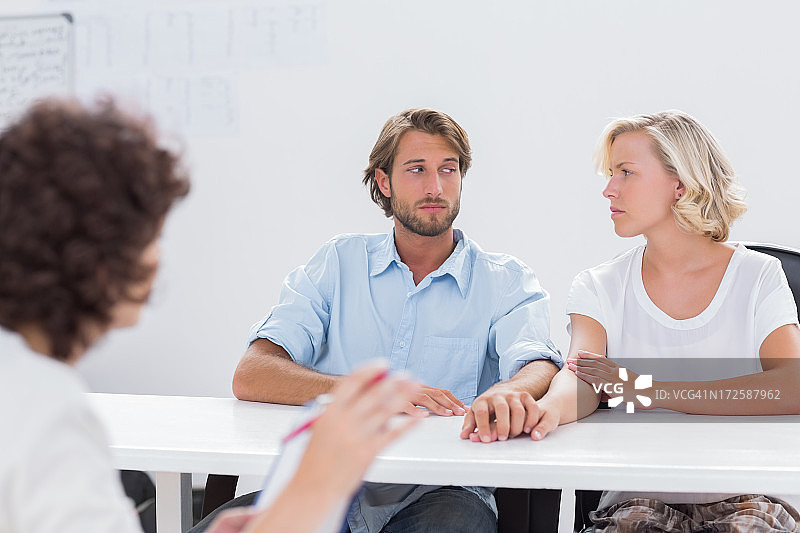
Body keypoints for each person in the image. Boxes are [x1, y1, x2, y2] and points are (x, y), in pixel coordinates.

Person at [0, 98, 419, 533]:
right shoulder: (46, 413)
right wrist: (311, 496)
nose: (159, 260)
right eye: (151, 236)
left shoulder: (21, 385)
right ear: (95, 255)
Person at [232, 107, 562, 533]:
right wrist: (366, 394)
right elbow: (254, 373)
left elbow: (539, 363)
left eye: (449, 169)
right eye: (416, 170)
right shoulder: (338, 263)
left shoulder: (505, 281)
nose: (435, 186)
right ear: (384, 182)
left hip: (444, 490)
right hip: (328, 485)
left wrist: (508, 393)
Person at [523, 110, 800, 532]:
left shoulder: (758, 276)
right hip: (638, 498)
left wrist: (650, 391)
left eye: (626, 172)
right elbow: (581, 377)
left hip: (752, 497)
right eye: (611, 173)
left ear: (681, 184)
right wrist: (544, 411)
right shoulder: (598, 285)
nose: (608, 189)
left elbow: (792, 386)